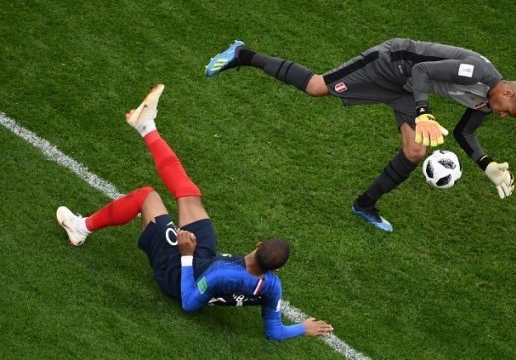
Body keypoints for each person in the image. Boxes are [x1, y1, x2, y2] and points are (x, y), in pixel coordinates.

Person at [55, 84, 333, 340]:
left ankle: (80, 228)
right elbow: (273, 331)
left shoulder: (224, 276)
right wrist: (303, 328)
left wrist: (186, 255)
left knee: (146, 196)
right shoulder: (272, 287)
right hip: (206, 259)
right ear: (275, 270)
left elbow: (189, 302)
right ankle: (147, 127)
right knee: (189, 195)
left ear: (258, 244)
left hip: (179, 274)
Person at [204, 38, 516, 232]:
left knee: (414, 152)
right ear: (509, 94)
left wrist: (485, 164)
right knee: (317, 87)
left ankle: (364, 205)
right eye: (506, 111)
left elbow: (463, 132)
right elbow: (422, 69)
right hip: (389, 64)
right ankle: (242, 55)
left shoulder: (487, 100)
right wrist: (424, 111)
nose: (500, 114)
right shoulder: (478, 73)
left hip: (407, 88)